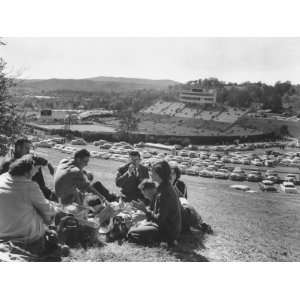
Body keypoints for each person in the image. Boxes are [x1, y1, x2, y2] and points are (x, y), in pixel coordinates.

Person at [0, 155, 59, 255]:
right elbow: (49, 210)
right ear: (29, 170)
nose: (37, 172)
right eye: (37, 169)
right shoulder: (30, 186)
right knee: (45, 214)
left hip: (2, 231)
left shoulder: (2, 178)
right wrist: (56, 207)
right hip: (25, 237)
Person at [129, 160, 182, 246]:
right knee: (135, 226)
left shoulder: (165, 193)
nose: (150, 174)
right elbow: (157, 212)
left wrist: (144, 210)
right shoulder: (164, 187)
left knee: (131, 233)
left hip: (167, 231)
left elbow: (159, 220)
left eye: (152, 172)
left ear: (158, 175)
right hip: (168, 227)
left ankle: (164, 242)